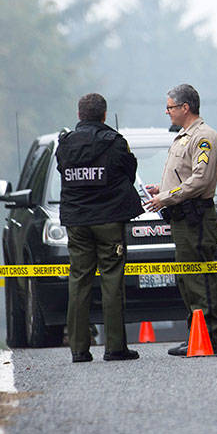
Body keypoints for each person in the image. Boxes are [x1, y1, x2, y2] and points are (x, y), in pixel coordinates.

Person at [55, 93, 144, 363]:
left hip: (77, 221)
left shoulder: (65, 143)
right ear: (104, 115)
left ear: (80, 114)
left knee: (79, 281)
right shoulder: (115, 143)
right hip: (108, 220)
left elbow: (62, 170)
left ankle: (79, 349)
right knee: (112, 279)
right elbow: (129, 171)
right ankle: (115, 347)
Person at [143, 84, 217, 356]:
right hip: (182, 217)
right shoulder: (183, 136)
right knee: (186, 278)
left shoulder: (203, 137)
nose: (167, 112)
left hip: (195, 217)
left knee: (199, 277)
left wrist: (165, 198)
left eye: (170, 107)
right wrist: (161, 188)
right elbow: (184, 175)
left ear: (185, 107)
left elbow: (199, 180)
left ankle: (209, 336)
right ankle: (196, 333)